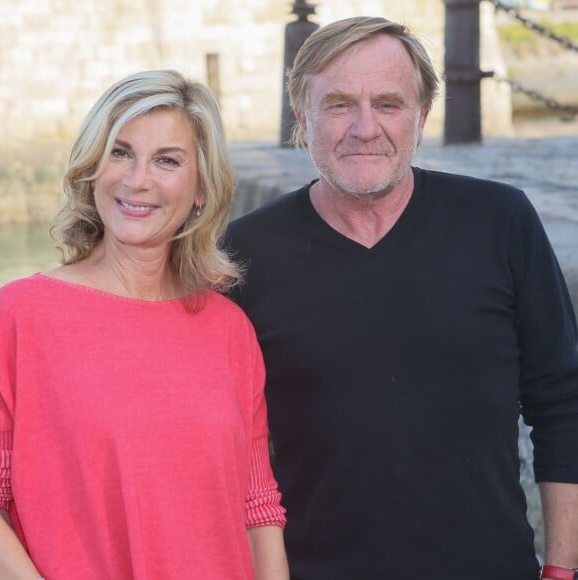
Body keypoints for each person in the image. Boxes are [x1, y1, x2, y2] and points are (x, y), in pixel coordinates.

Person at [224, 16, 578, 580]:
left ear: (421, 117)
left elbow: (563, 404)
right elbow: (221, 448)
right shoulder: (244, 254)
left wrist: (562, 566)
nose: (365, 128)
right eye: (339, 104)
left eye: (388, 103)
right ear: (301, 118)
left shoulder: (501, 221)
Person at [0, 69, 289, 580]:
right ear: (93, 168)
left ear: (201, 189)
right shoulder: (18, 315)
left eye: (168, 160)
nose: (138, 180)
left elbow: (258, 509)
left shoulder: (230, 330)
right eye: (120, 152)